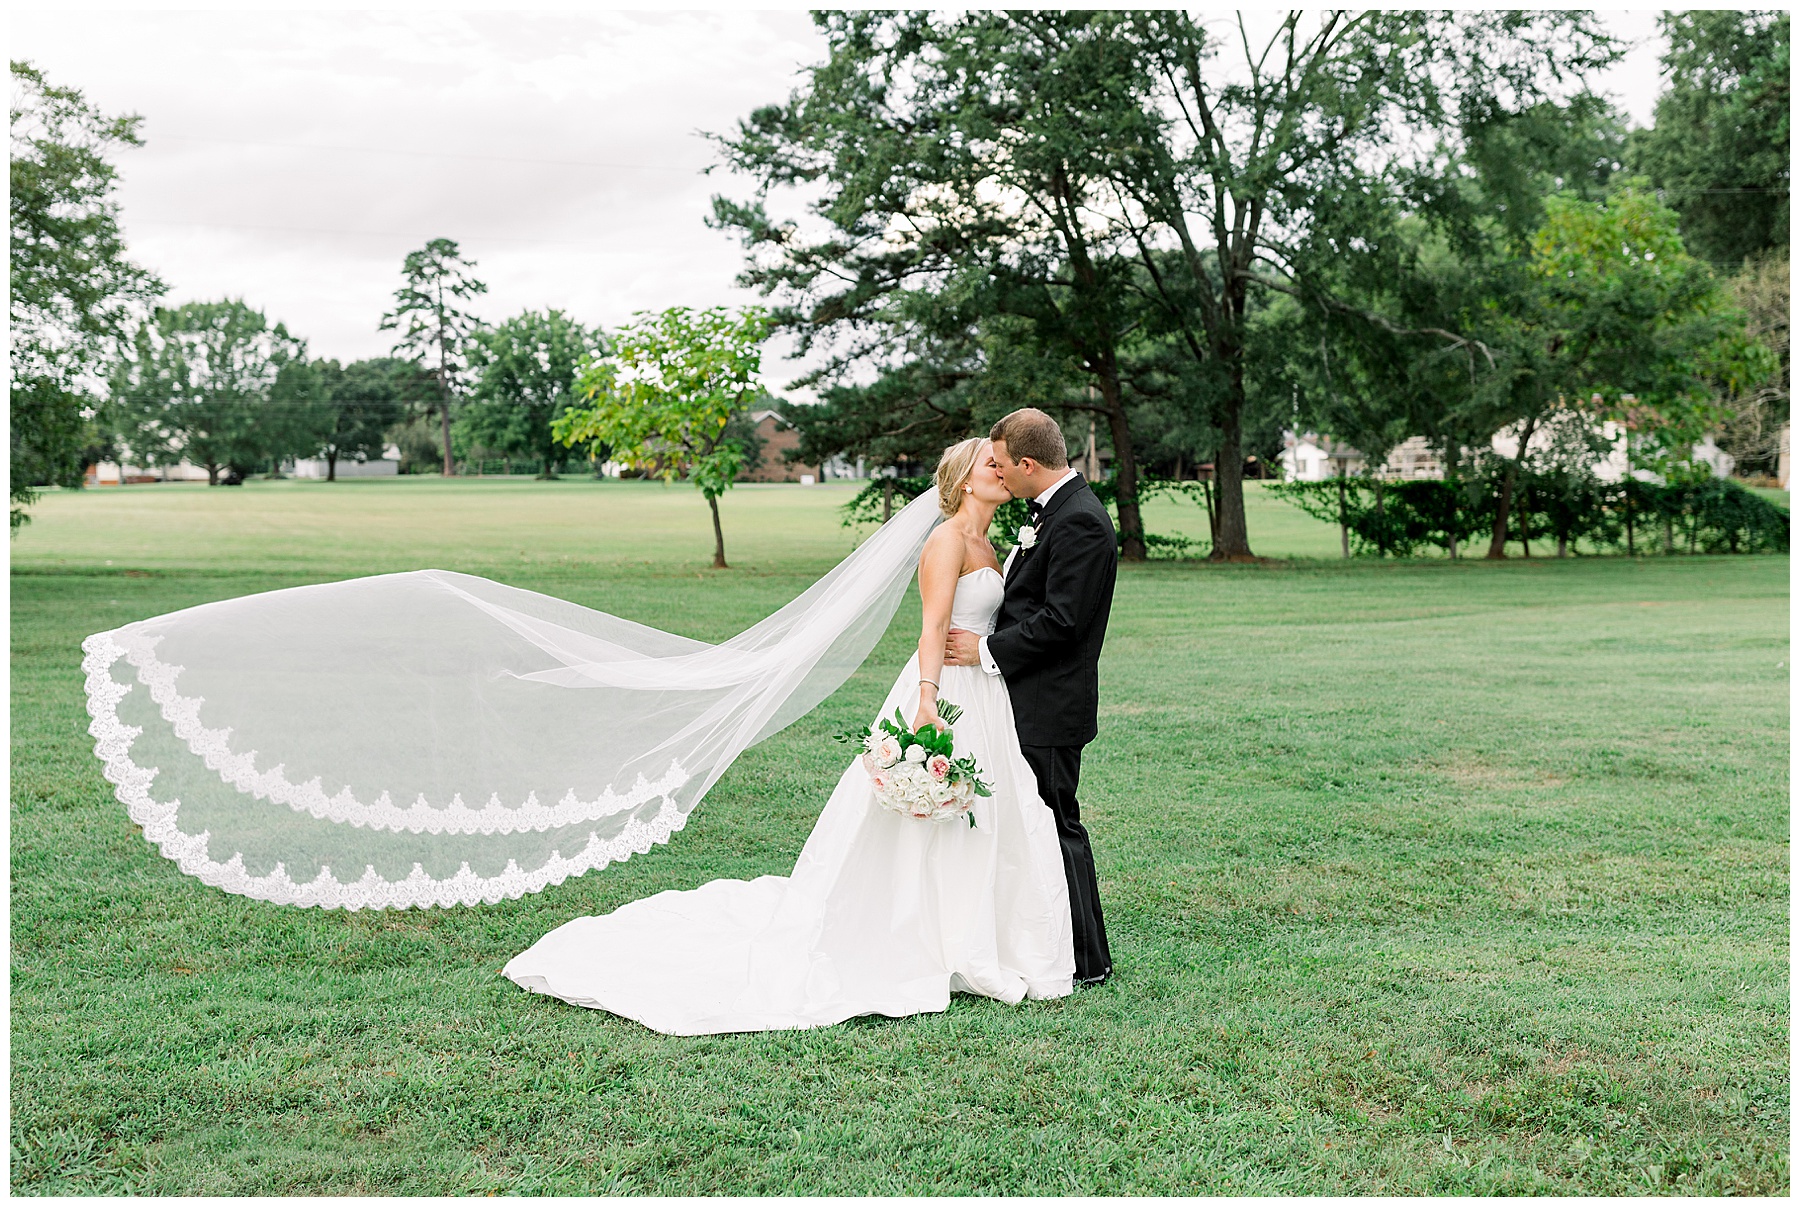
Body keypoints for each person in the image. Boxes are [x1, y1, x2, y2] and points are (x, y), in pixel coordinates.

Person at [501, 437, 1077, 1033]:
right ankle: (921, 934)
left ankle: (977, 934)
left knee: (992, 811)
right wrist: (928, 701)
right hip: (944, 692)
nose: (1005, 471)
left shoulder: (992, 542)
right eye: (991, 464)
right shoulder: (946, 541)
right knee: (930, 817)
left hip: (986, 691)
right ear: (963, 479)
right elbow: (932, 627)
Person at [944, 408, 1116, 985]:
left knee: (1056, 823)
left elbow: (1063, 622)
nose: (997, 474)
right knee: (1038, 825)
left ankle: (1087, 961)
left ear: (1026, 464)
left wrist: (985, 652)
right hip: (1024, 699)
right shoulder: (1053, 514)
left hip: (1050, 703)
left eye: (1000, 464)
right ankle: (1048, 946)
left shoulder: (1080, 522)